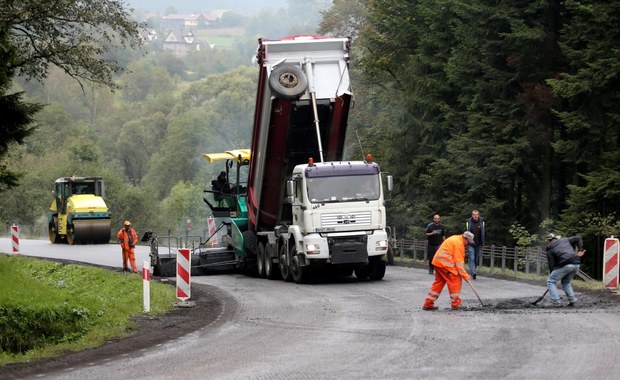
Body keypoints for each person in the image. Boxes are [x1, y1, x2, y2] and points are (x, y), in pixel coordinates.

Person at [423, 231, 474, 310]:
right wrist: (466, 276)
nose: (468, 244)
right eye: (468, 241)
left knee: (439, 283)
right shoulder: (459, 244)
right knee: (455, 279)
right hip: (445, 264)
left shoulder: (456, 238)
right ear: (465, 238)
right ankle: (456, 304)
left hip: (438, 262)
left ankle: (428, 304)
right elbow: (459, 264)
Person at [545, 233, 585, 307]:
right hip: (576, 263)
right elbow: (578, 238)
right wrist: (580, 249)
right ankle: (572, 300)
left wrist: (552, 274)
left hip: (567, 264)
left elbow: (551, 263)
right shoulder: (565, 240)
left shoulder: (549, 247)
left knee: (551, 281)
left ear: (549, 240)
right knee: (565, 281)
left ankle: (556, 302)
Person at [465, 210, 486, 279]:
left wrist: (483, 243)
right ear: (472, 215)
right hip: (470, 243)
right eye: (474, 214)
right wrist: (466, 241)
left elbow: (483, 233)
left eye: (476, 214)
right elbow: (465, 232)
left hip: (478, 244)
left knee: (476, 259)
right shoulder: (468, 222)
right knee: (471, 258)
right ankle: (473, 272)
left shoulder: (481, 222)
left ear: (478, 215)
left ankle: (474, 270)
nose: (475, 216)